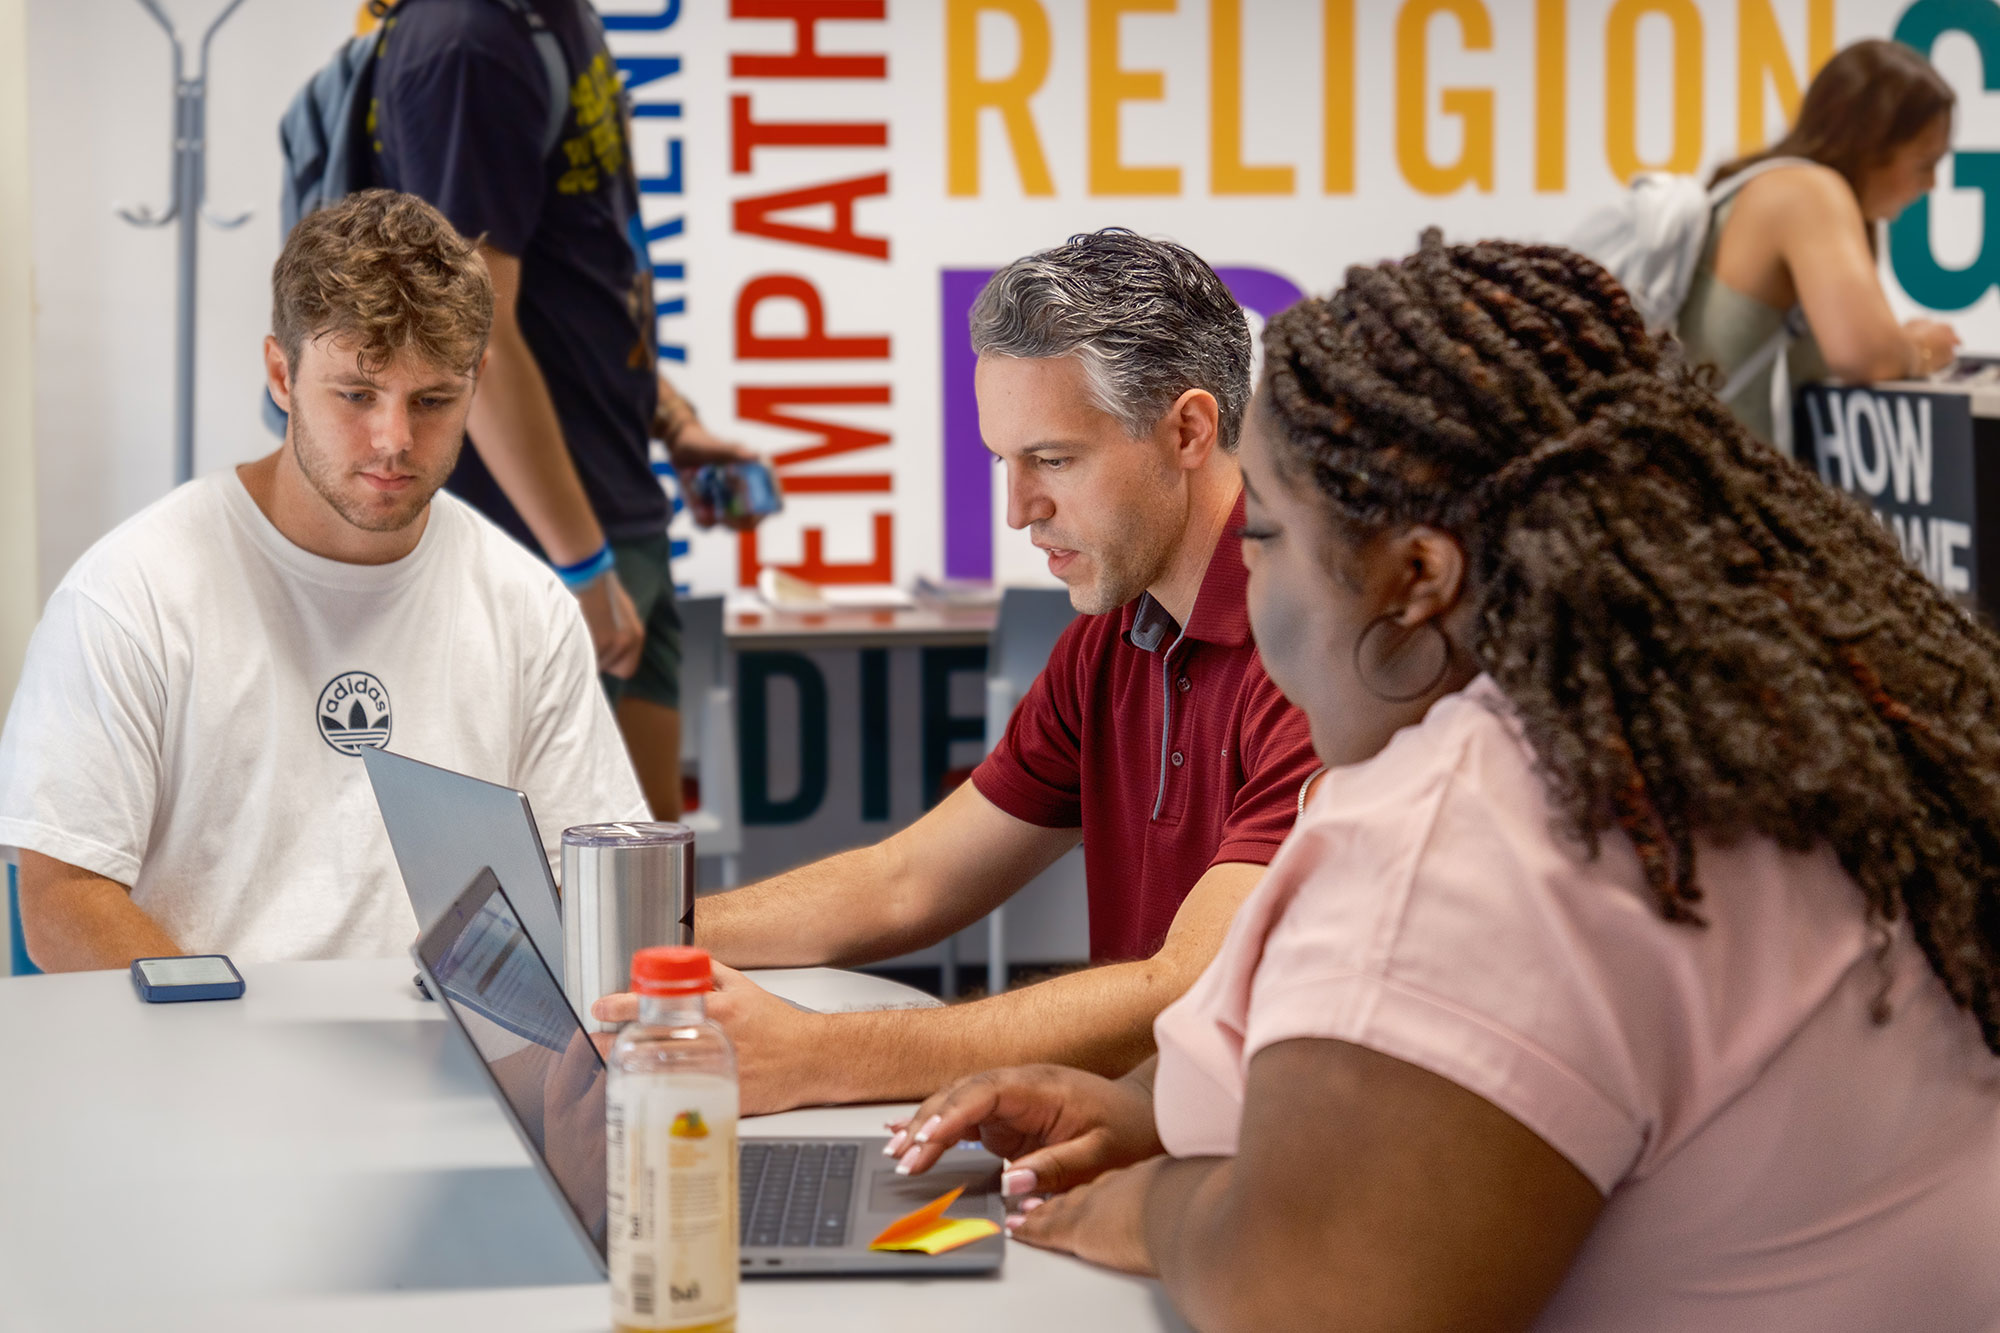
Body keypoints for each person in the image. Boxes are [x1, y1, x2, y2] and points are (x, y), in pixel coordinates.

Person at [895, 233, 2000, 1330]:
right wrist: (1143, 1107)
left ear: (1415, 579)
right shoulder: (1725, 734)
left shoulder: (1478, 830)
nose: (1245, 574)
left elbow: (1313, 1287)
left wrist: (1142, 1204)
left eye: (1266, 535)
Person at [596, 230, 1319, 1115]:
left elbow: (1183, 986)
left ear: (1189, 431)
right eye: (1004, 463)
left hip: (1250, 1178)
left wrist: (816, 1054)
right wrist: (630, 938)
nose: (1018, 510)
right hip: (1142, 1133)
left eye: (1053, 460)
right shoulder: (1111, 637)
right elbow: (909, 881)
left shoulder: (1308, 652)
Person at [0, 190, 647, 971]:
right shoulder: (131, 592)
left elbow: (589, 880)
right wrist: (221, 1053)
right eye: (355, 394)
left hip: (450, 1067)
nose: (394, 440)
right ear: (281, 373)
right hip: (199, 1063)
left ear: (477, 381)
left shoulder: (526, 604)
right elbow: (64, 896)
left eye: (434, 400)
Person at [365, 0, 760, 819]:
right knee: (525, 902)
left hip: (611, 514)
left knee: (646, 897)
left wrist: (668, 418)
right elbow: (475, 340)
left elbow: (586, 268)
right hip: (538, 542)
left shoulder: (555, 17)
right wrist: (579, 565)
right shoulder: (468, 41)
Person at [1679, 38, 1961, 446]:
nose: (1932, 184)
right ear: (1871, 144)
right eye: (1925, 163)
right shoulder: (1808, 190)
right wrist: (1921, 349)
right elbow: (1867, 357)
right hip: (1720, 497)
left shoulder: (1756, 187)